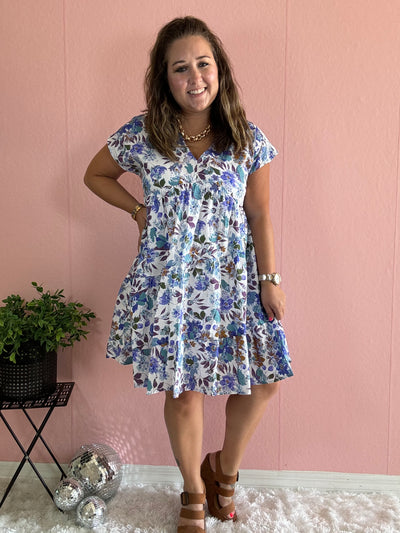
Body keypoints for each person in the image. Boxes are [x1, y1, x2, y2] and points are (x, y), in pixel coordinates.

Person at [84, 16, 293, 533]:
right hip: (171, 283)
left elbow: (260, 213)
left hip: (233, 281)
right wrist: (137, 211)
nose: (194, 76)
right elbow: (96, 175)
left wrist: (271, 277)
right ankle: (194, 492)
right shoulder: (143, 133)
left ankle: (224, 468)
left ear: (219, 69)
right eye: (181, 68)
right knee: (183, 391)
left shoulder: (247, 137)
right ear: (165, 78)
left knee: (264, 383)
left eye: (203, 63)